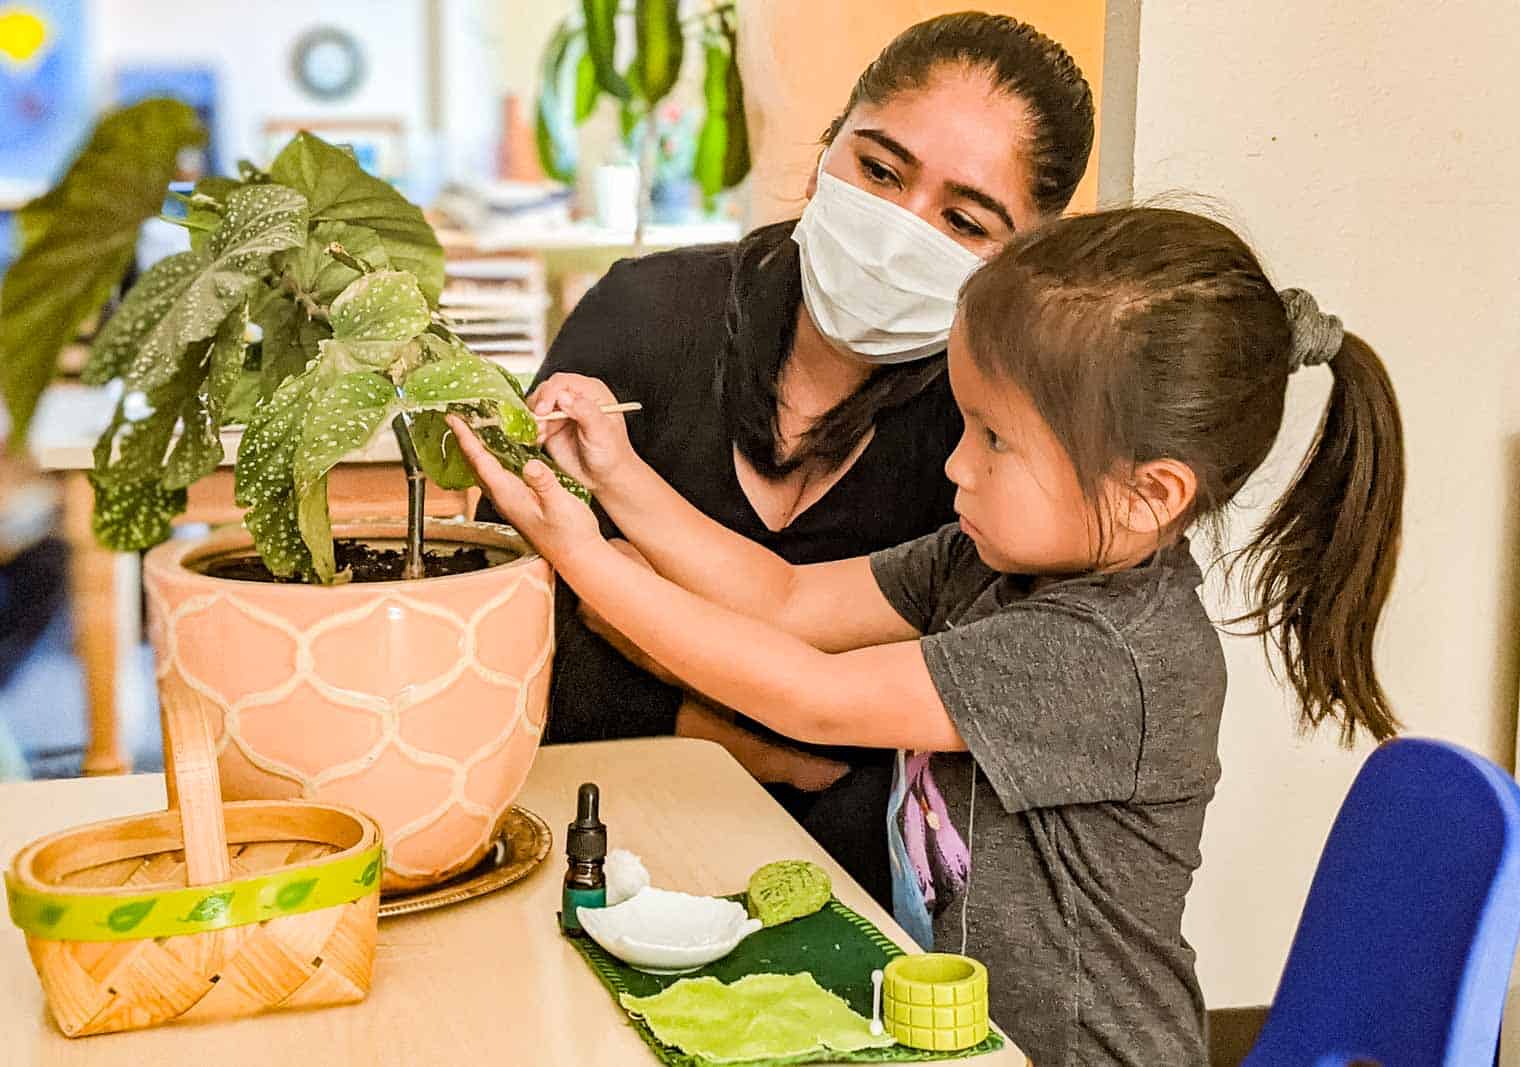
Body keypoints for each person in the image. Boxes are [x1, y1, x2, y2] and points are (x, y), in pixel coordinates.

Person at [449, 206, 1407, 1067]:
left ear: (1147, 491)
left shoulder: (1105, 655)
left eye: (995, 439)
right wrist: (614, 479)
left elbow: (804, 691)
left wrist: (582, 556)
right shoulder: (991, 560)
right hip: (958, 1035)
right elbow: (783, 601)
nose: (955, 462)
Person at [526, 12, 1095, 906]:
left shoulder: (989, 436)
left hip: (870, 907)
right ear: (830, 143)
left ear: (1021, 259)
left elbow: (915, 701)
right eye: (878, 170)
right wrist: (725, 733)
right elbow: (518, 611)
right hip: (592, 832)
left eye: (963, 219)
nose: (898, 229)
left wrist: (636, 605)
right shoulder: (644, 318)